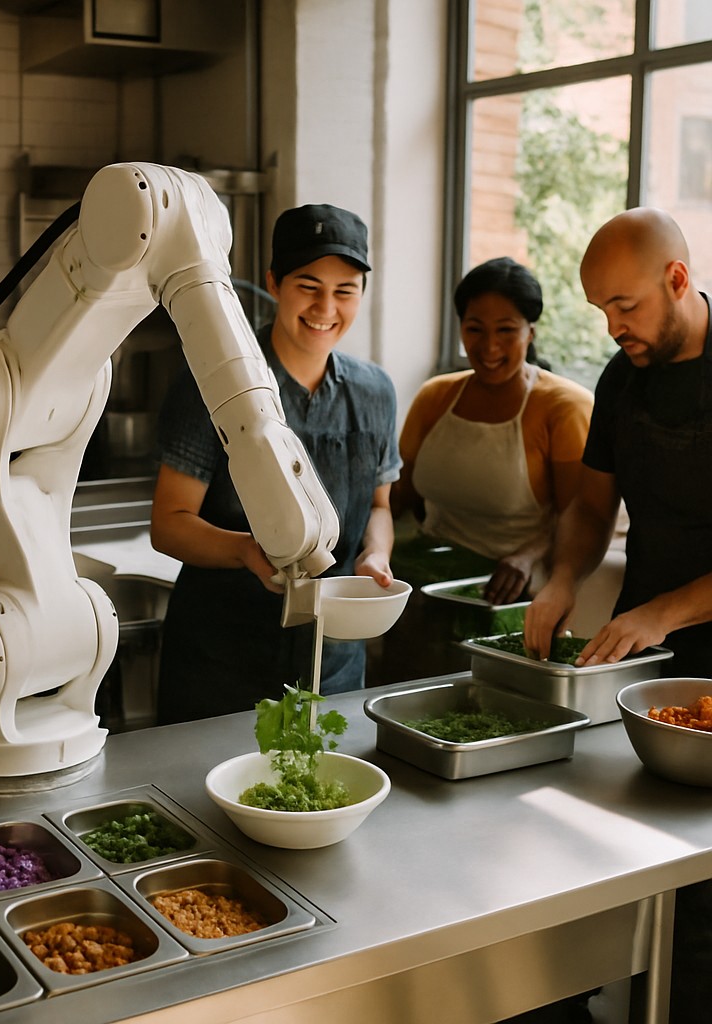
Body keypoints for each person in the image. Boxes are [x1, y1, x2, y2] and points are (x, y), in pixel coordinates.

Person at [524, 207, 712, 1024]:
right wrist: (565, 578)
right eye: (599, 309)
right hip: (646, 659)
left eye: (625, 306)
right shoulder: (620, 378)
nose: (612, 327)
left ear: (677, 279)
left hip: (677, 640)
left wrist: (663, 612)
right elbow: (593, 503)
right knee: (637, 854)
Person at [151, 203, 400, 724]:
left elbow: (380, 503)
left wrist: (374, 556)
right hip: (221, 661)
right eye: (308, 286)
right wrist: (246, 550)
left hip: (332, 661)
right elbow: (168, 525)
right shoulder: (214, 384)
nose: (325, 307)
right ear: (274, 283)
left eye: (344, 291)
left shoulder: (374, 391)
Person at [393, 257, 594, 606]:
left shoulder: (565, 406)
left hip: (513, 585)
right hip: (430, 574)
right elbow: (399, 493)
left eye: (505, 330)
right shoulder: (435, 397)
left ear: (530, 332)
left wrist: (527, 557)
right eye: (475, 329)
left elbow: (581, 515)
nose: (489, 347)